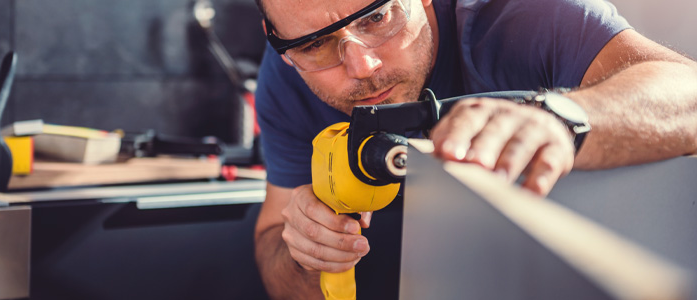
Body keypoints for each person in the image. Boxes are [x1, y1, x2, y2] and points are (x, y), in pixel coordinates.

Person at [251, 0, 697, 298]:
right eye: (315, 44)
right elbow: (273, 244)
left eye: (376, 18)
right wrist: (307, 255)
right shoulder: (286, 76)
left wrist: (561, 116)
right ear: (280, 44)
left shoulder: (524, 14)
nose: (362, 67)